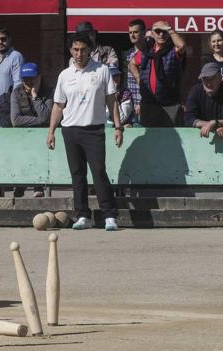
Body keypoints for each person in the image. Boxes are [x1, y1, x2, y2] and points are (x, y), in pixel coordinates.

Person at [46, 32, 123, 231]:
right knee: (77, 174)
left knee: (98, 171)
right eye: (75, 49)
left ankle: (109, 215)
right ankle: (82, 215)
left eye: (83, 49)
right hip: (70, 130)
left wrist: (118, 126)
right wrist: (51, 131)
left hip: (94, 129)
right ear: (70, 50)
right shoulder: (65, 75)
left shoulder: (102, 70)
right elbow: (58, 105)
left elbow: (111, 100)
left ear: (90, 50)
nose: (79, 53)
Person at [130, 20, 186, 127]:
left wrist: (169, 29)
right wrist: (139, 80)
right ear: (152, 33)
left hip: (170, 104)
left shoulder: (172, 50)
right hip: (149, 103)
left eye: (164, 32)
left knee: (171, 140)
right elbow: (132, 64)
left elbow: (182, 46)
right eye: (157, 31)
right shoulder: (147, 50)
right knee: (150, 139)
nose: (161, 34)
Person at [10, 62, 53, 198]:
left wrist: (35, 97)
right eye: (25, 79)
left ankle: (38, 185)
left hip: (43, 136)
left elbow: (47, 116)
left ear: (39, 77)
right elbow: (15, 120)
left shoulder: (49, 92)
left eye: (32, 78)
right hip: (22, 136)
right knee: (21, 151)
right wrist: (40, 121)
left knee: (38, 150)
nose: (28, 82)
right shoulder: (16, 92)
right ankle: (20, 184)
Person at [185, 63, 223, 138]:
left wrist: (215, 123)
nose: (208, 83)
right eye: (205, 79)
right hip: (199, 138)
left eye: (212, 78)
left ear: (220, 78)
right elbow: (189, 119)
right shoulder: (195, 91)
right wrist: (212, 125)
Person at [0, 27, 23, 128]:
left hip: (7, 109)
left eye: (3, 39)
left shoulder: (16, 56)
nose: (0, 42)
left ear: (9, 39)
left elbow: (18, 84)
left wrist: (13, 107)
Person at [126, 19, 146, 123]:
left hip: (145, 103)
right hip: (130, 104)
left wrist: (141, 102)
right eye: (130, 32)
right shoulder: (128, 53)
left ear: (144, 33)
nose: (132, 35)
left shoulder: (150, 53)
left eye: (135, 32)